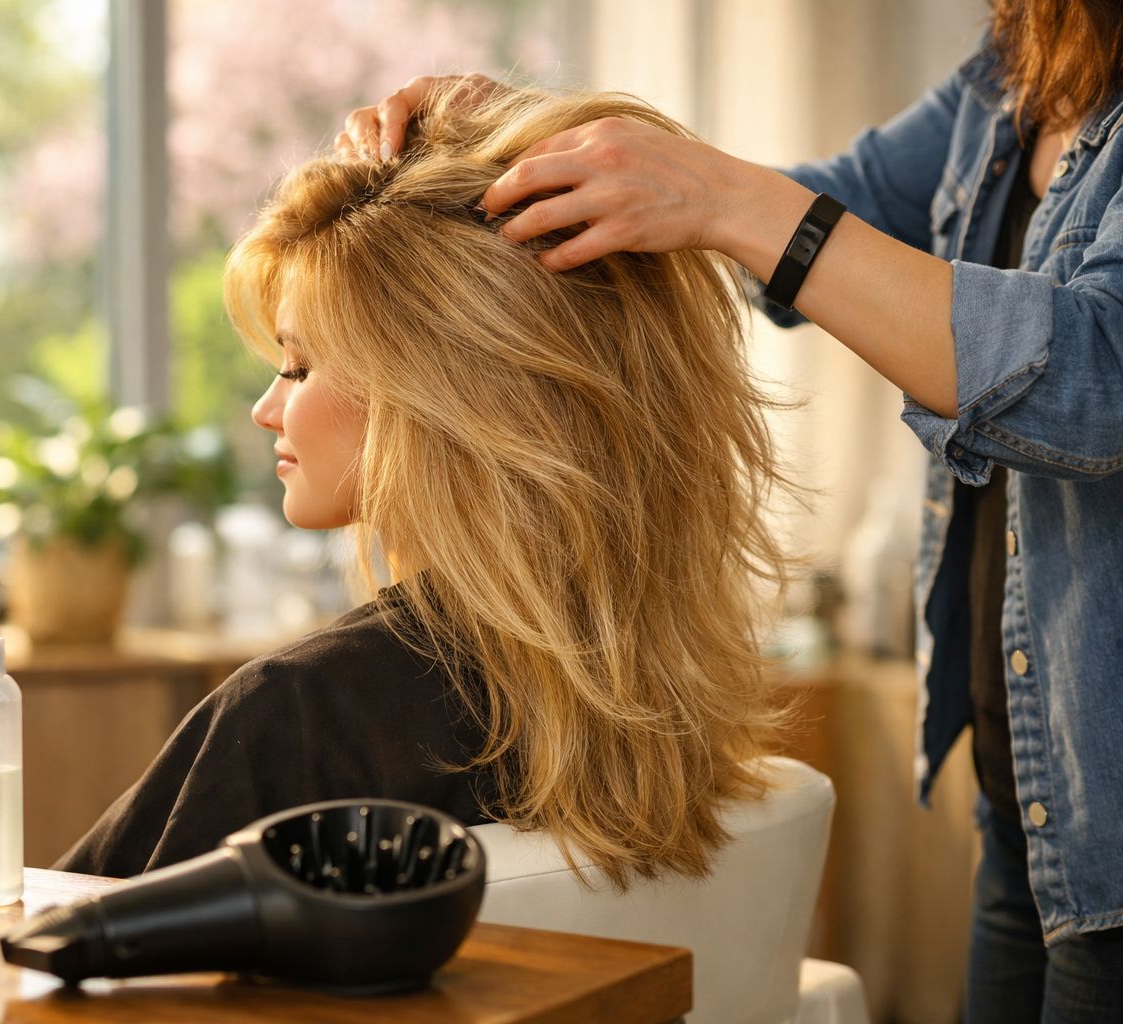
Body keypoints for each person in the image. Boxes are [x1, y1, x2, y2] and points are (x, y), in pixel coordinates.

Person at [340, 2, 1123, 1019]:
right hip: (1029, 794)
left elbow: (1098, 378)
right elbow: (824, 216)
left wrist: (724, 200)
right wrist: (548, 137)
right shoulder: (1024, 68)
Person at [55, 84, 793, 887]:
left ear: (441, 398)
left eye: (299, 366)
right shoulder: (655, 702)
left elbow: (60, 976)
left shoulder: (300, 713)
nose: (268, 409)